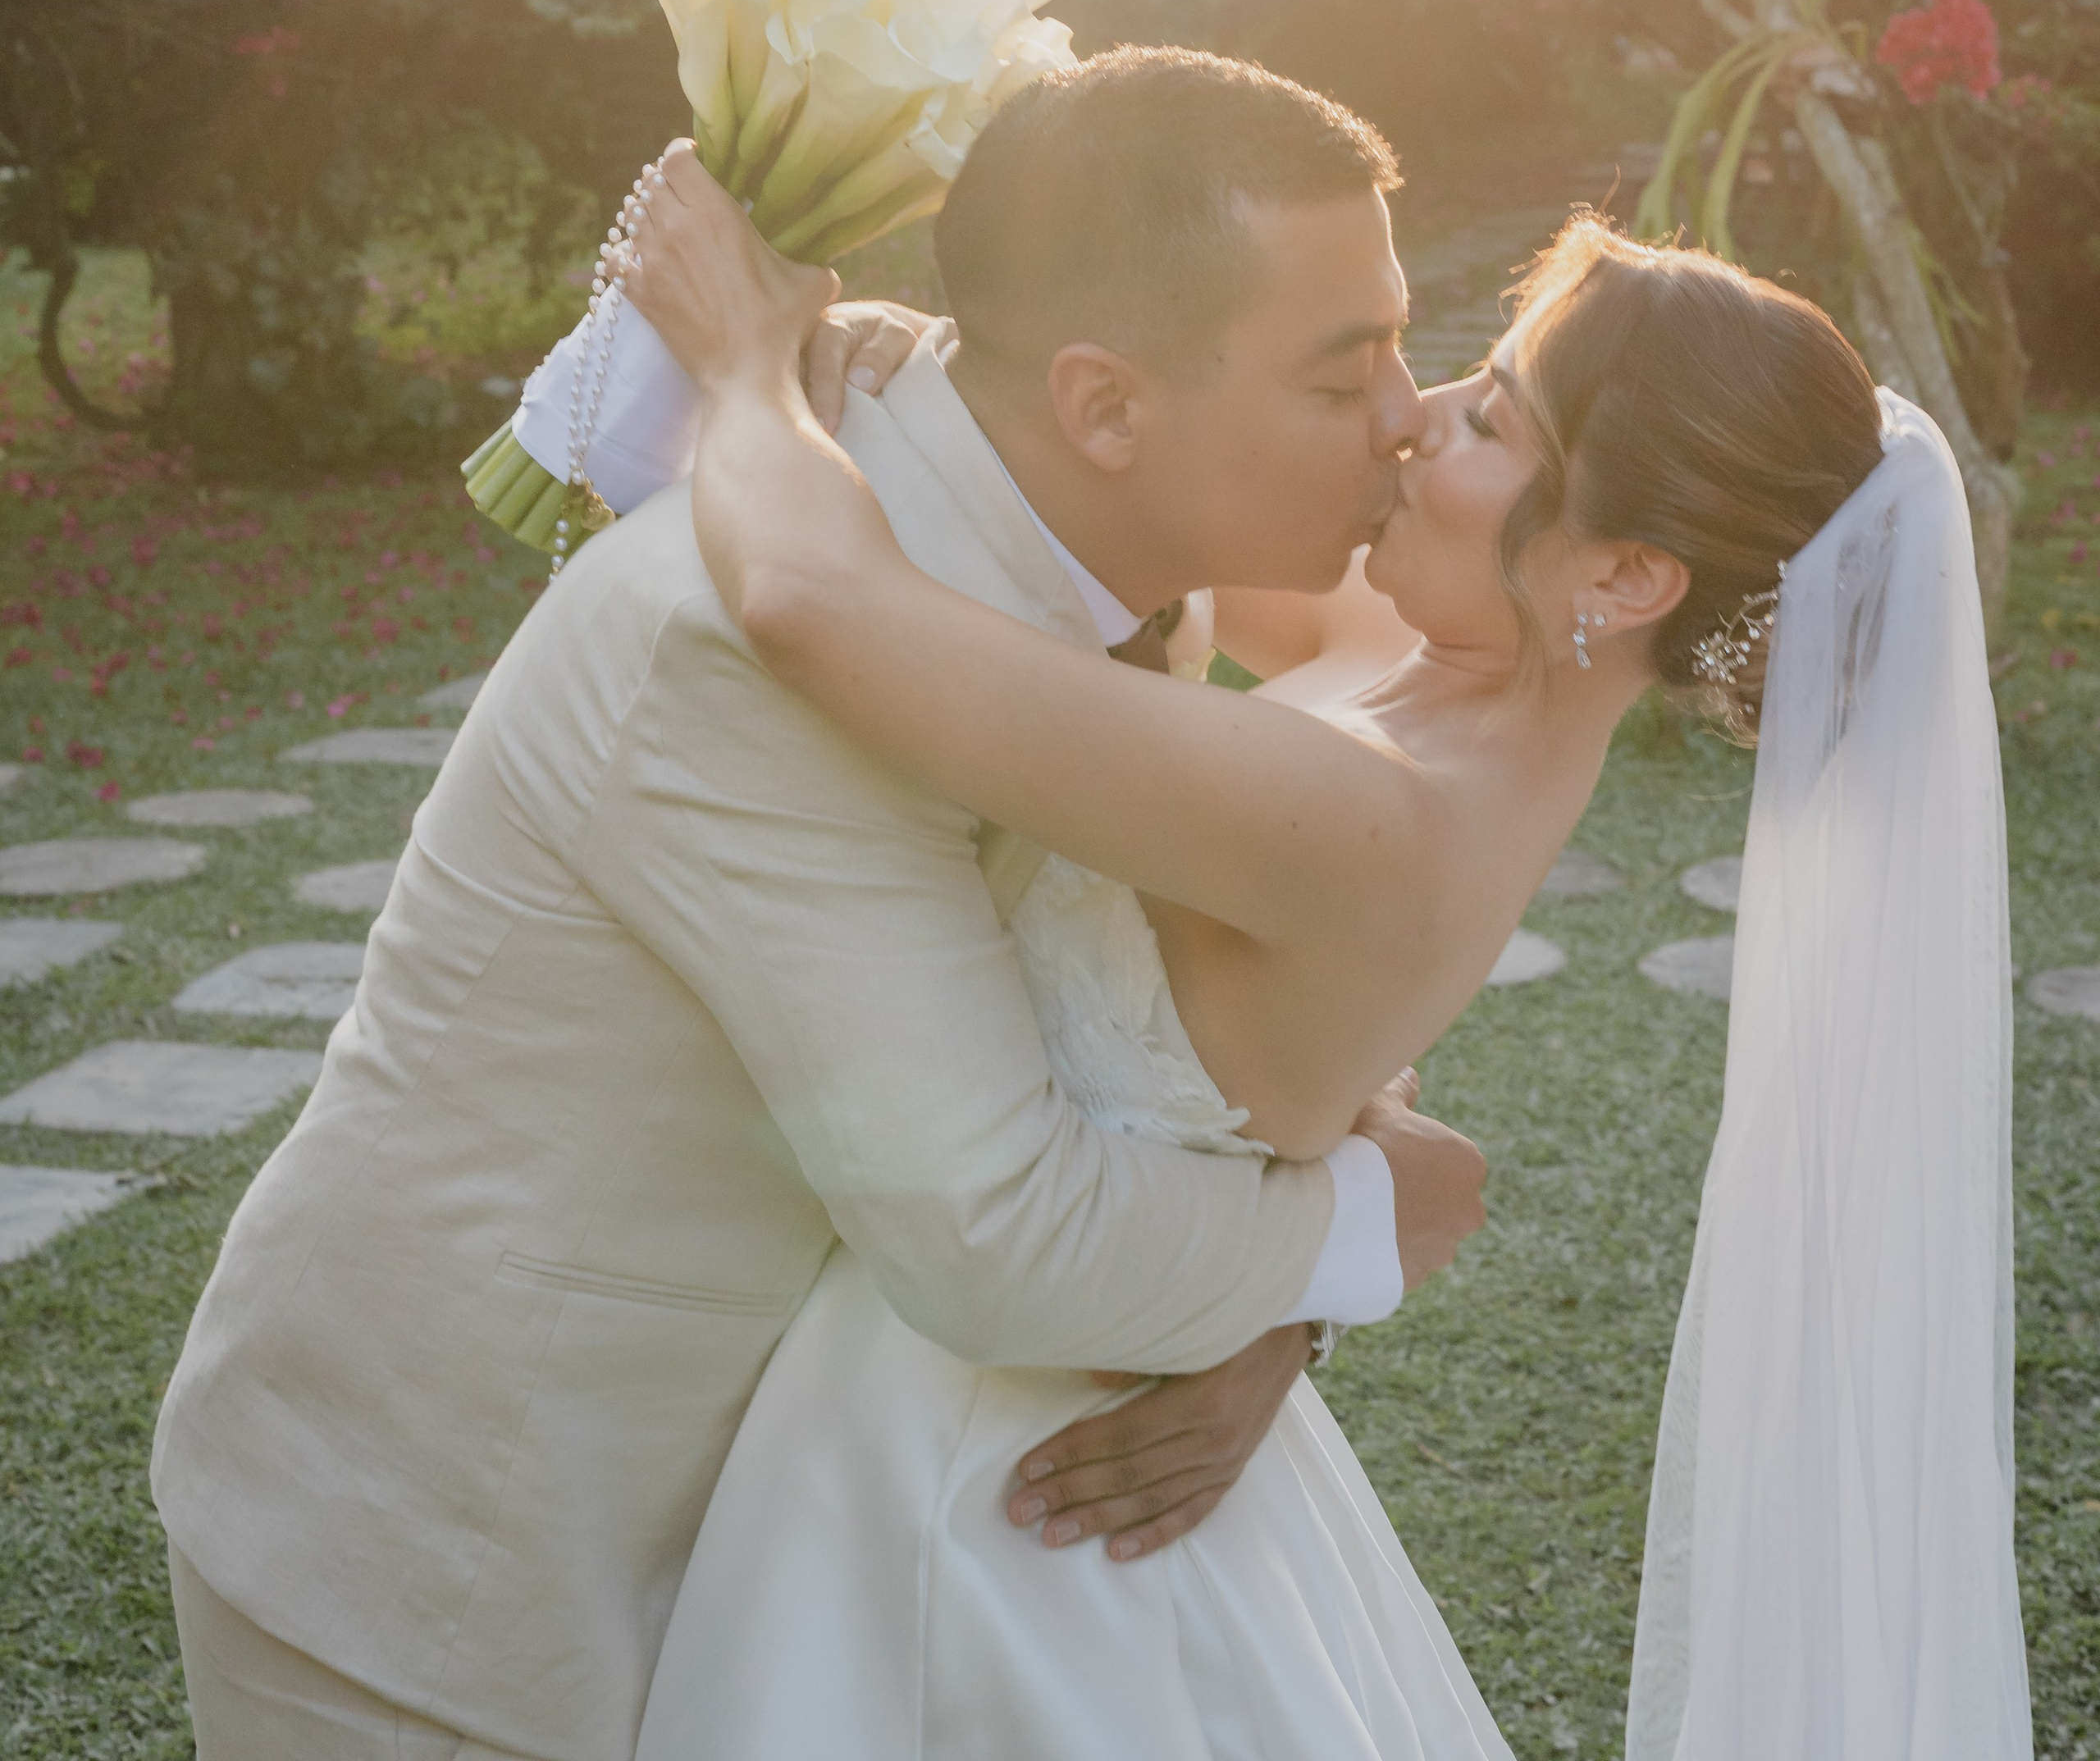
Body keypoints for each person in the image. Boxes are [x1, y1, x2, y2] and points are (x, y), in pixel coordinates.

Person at [623, 86, 2027, 1758]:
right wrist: (927, 353)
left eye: (1492, 420)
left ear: (1624, 577)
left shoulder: (1380, 817)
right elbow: (1140, 500)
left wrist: (741, 365)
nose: (1413, 423)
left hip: (989, 1475)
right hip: (1025, 1360)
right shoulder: (1429, 660)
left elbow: (810, 602)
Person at [153, 48, 1486, 1761]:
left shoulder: (1110, 550)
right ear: (1103, 407)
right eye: (1345, 369)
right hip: (466, 1559)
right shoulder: (750, 651)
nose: (1407, 415)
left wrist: (1281, 1313)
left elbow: (1187, 997)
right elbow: (1000, 1229)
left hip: (781, 1534)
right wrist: (1360, 1222)